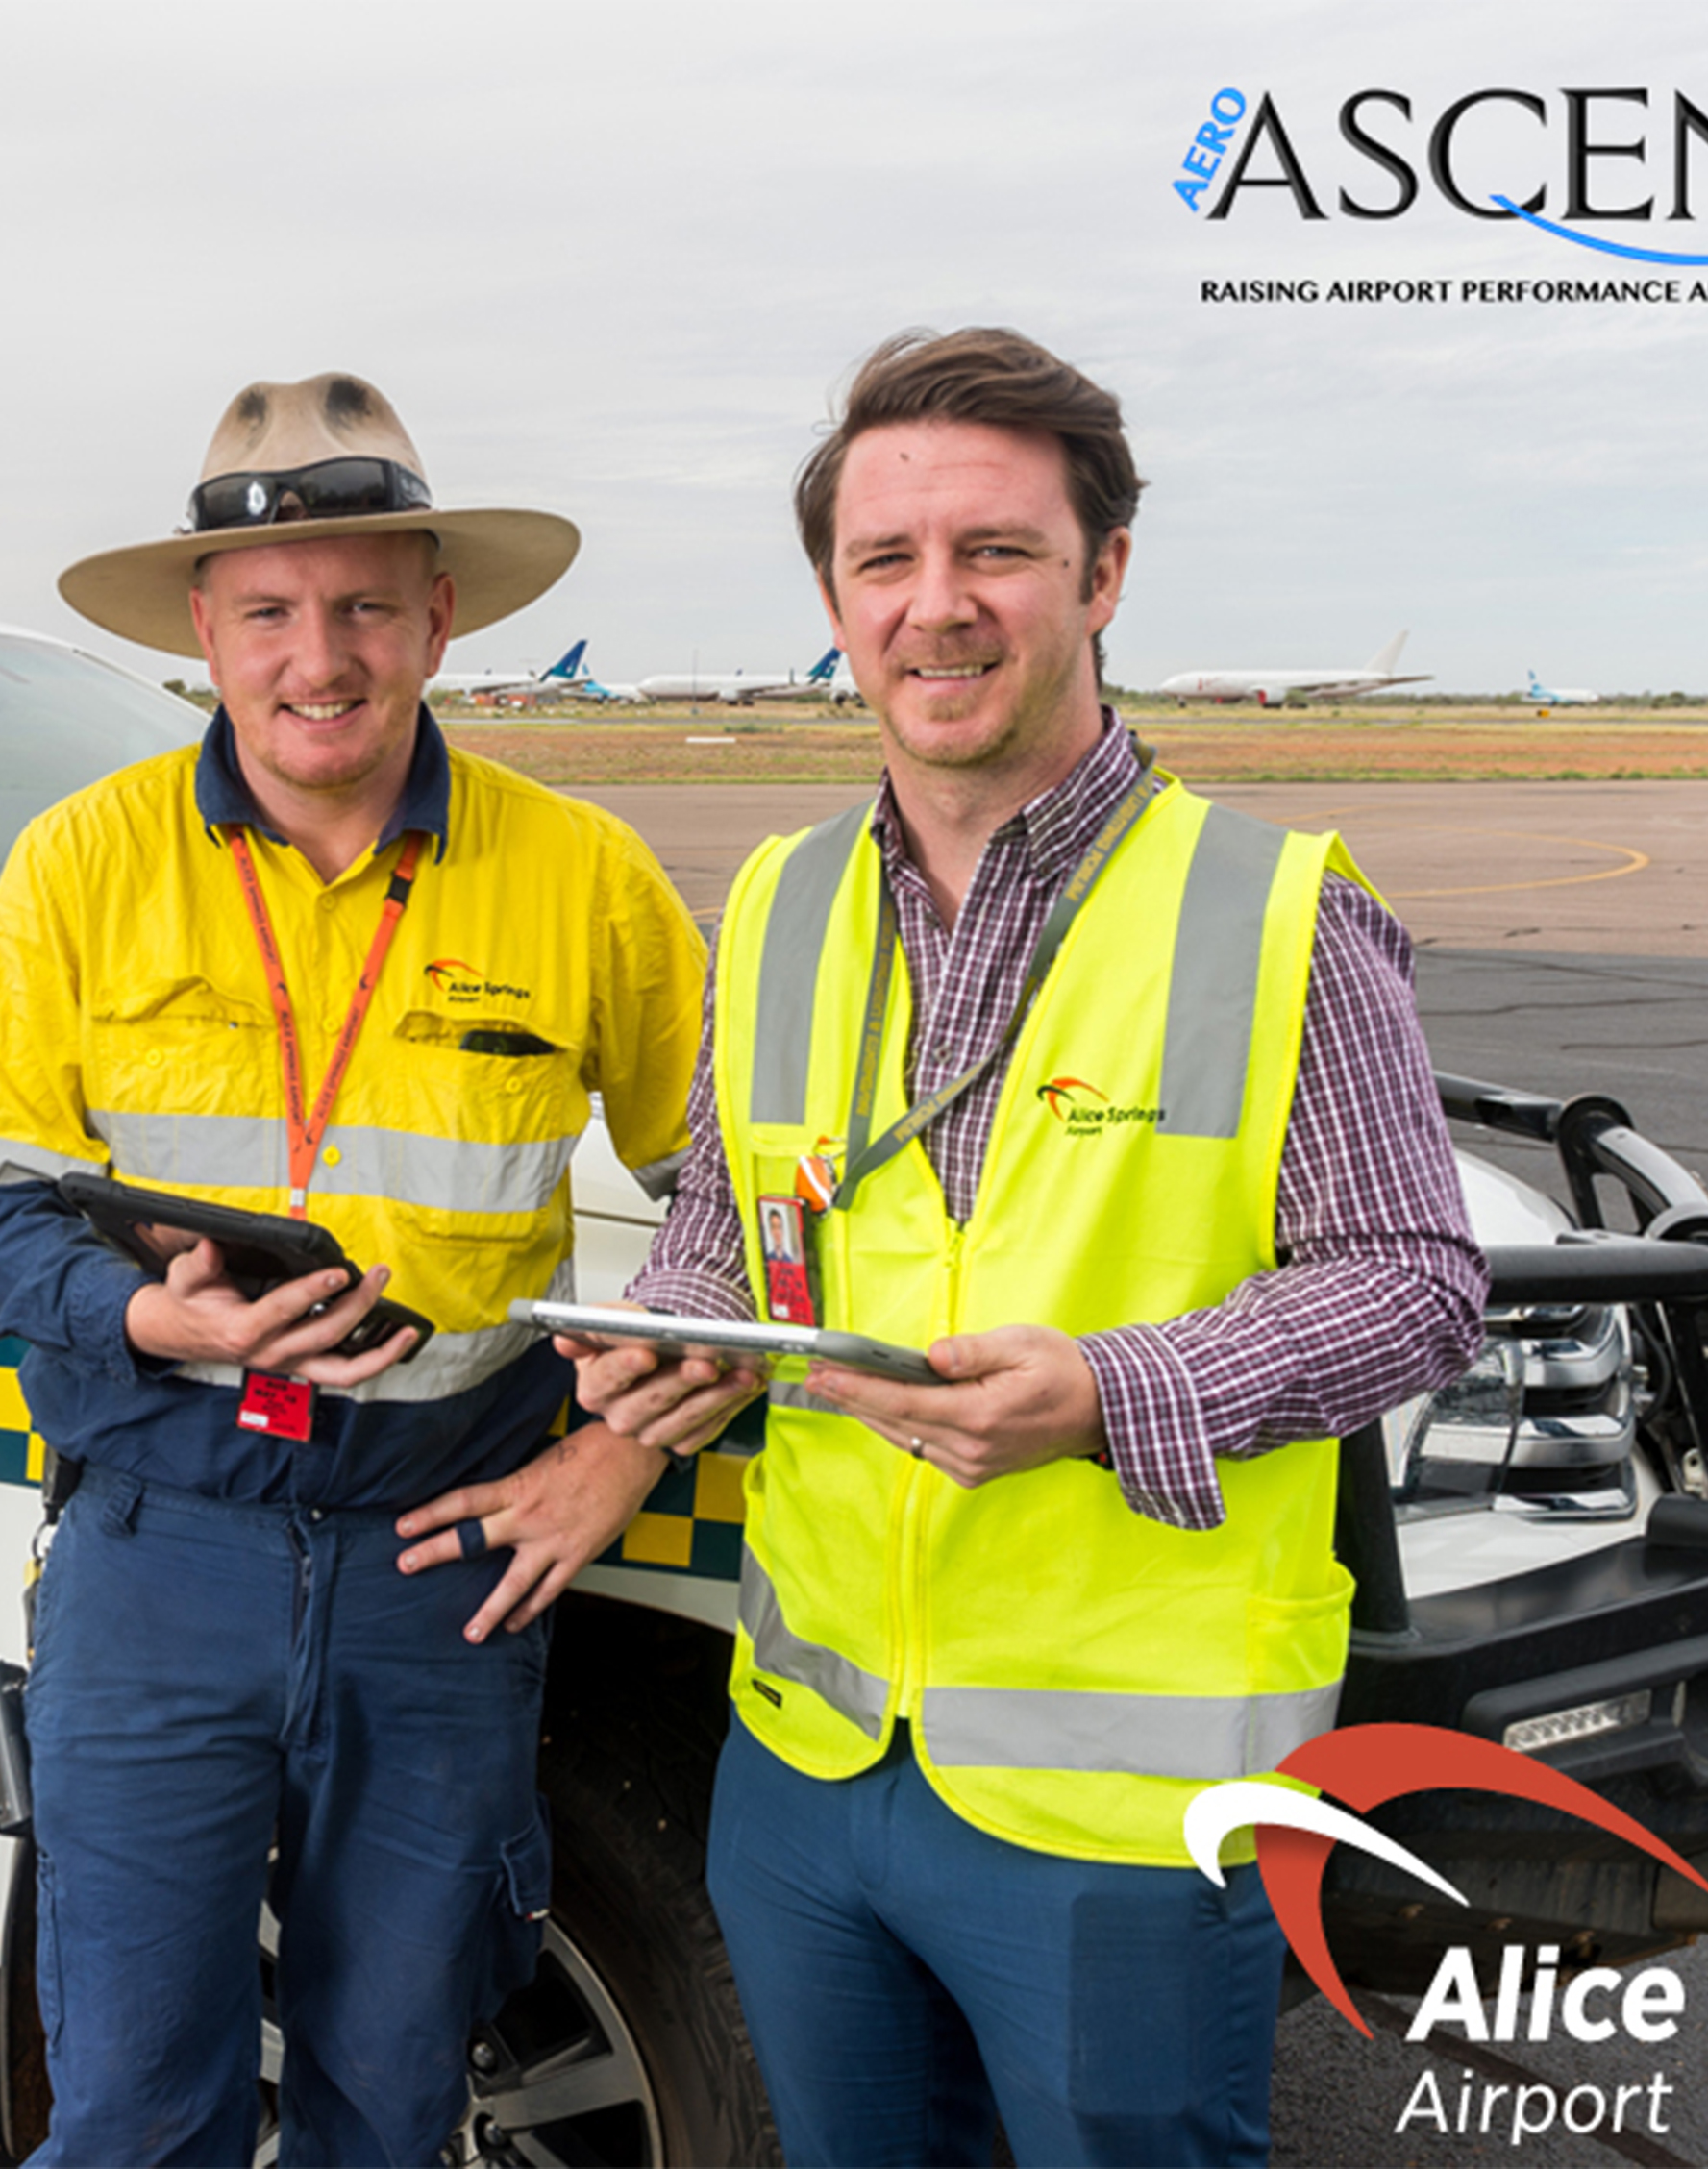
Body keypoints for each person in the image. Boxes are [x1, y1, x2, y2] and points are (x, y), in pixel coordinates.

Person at [566, 326, 1490, 2167]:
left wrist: (1111, 1390)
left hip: (1120, 1812)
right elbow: (734, 1213)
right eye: (884, 563)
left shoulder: (1273, 906)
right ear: (834, 598)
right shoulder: (777, 895)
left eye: (993, 550)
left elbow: (1413, 1277)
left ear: (1104, 574)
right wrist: (671, 1333)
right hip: (807, 1761)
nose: (937, 608)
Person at [0, 373, 709, 2166]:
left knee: (393, 2105)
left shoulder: (589, 879)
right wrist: (140, 1310)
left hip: (441, 1570)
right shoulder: (76, 865)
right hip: (163, 1542)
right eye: (267, 612)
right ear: (202, 632)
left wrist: (624, 1446)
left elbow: (734, 1212)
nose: (318, 657)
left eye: (364, 604)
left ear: (438, 615)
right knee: (127, 2113)